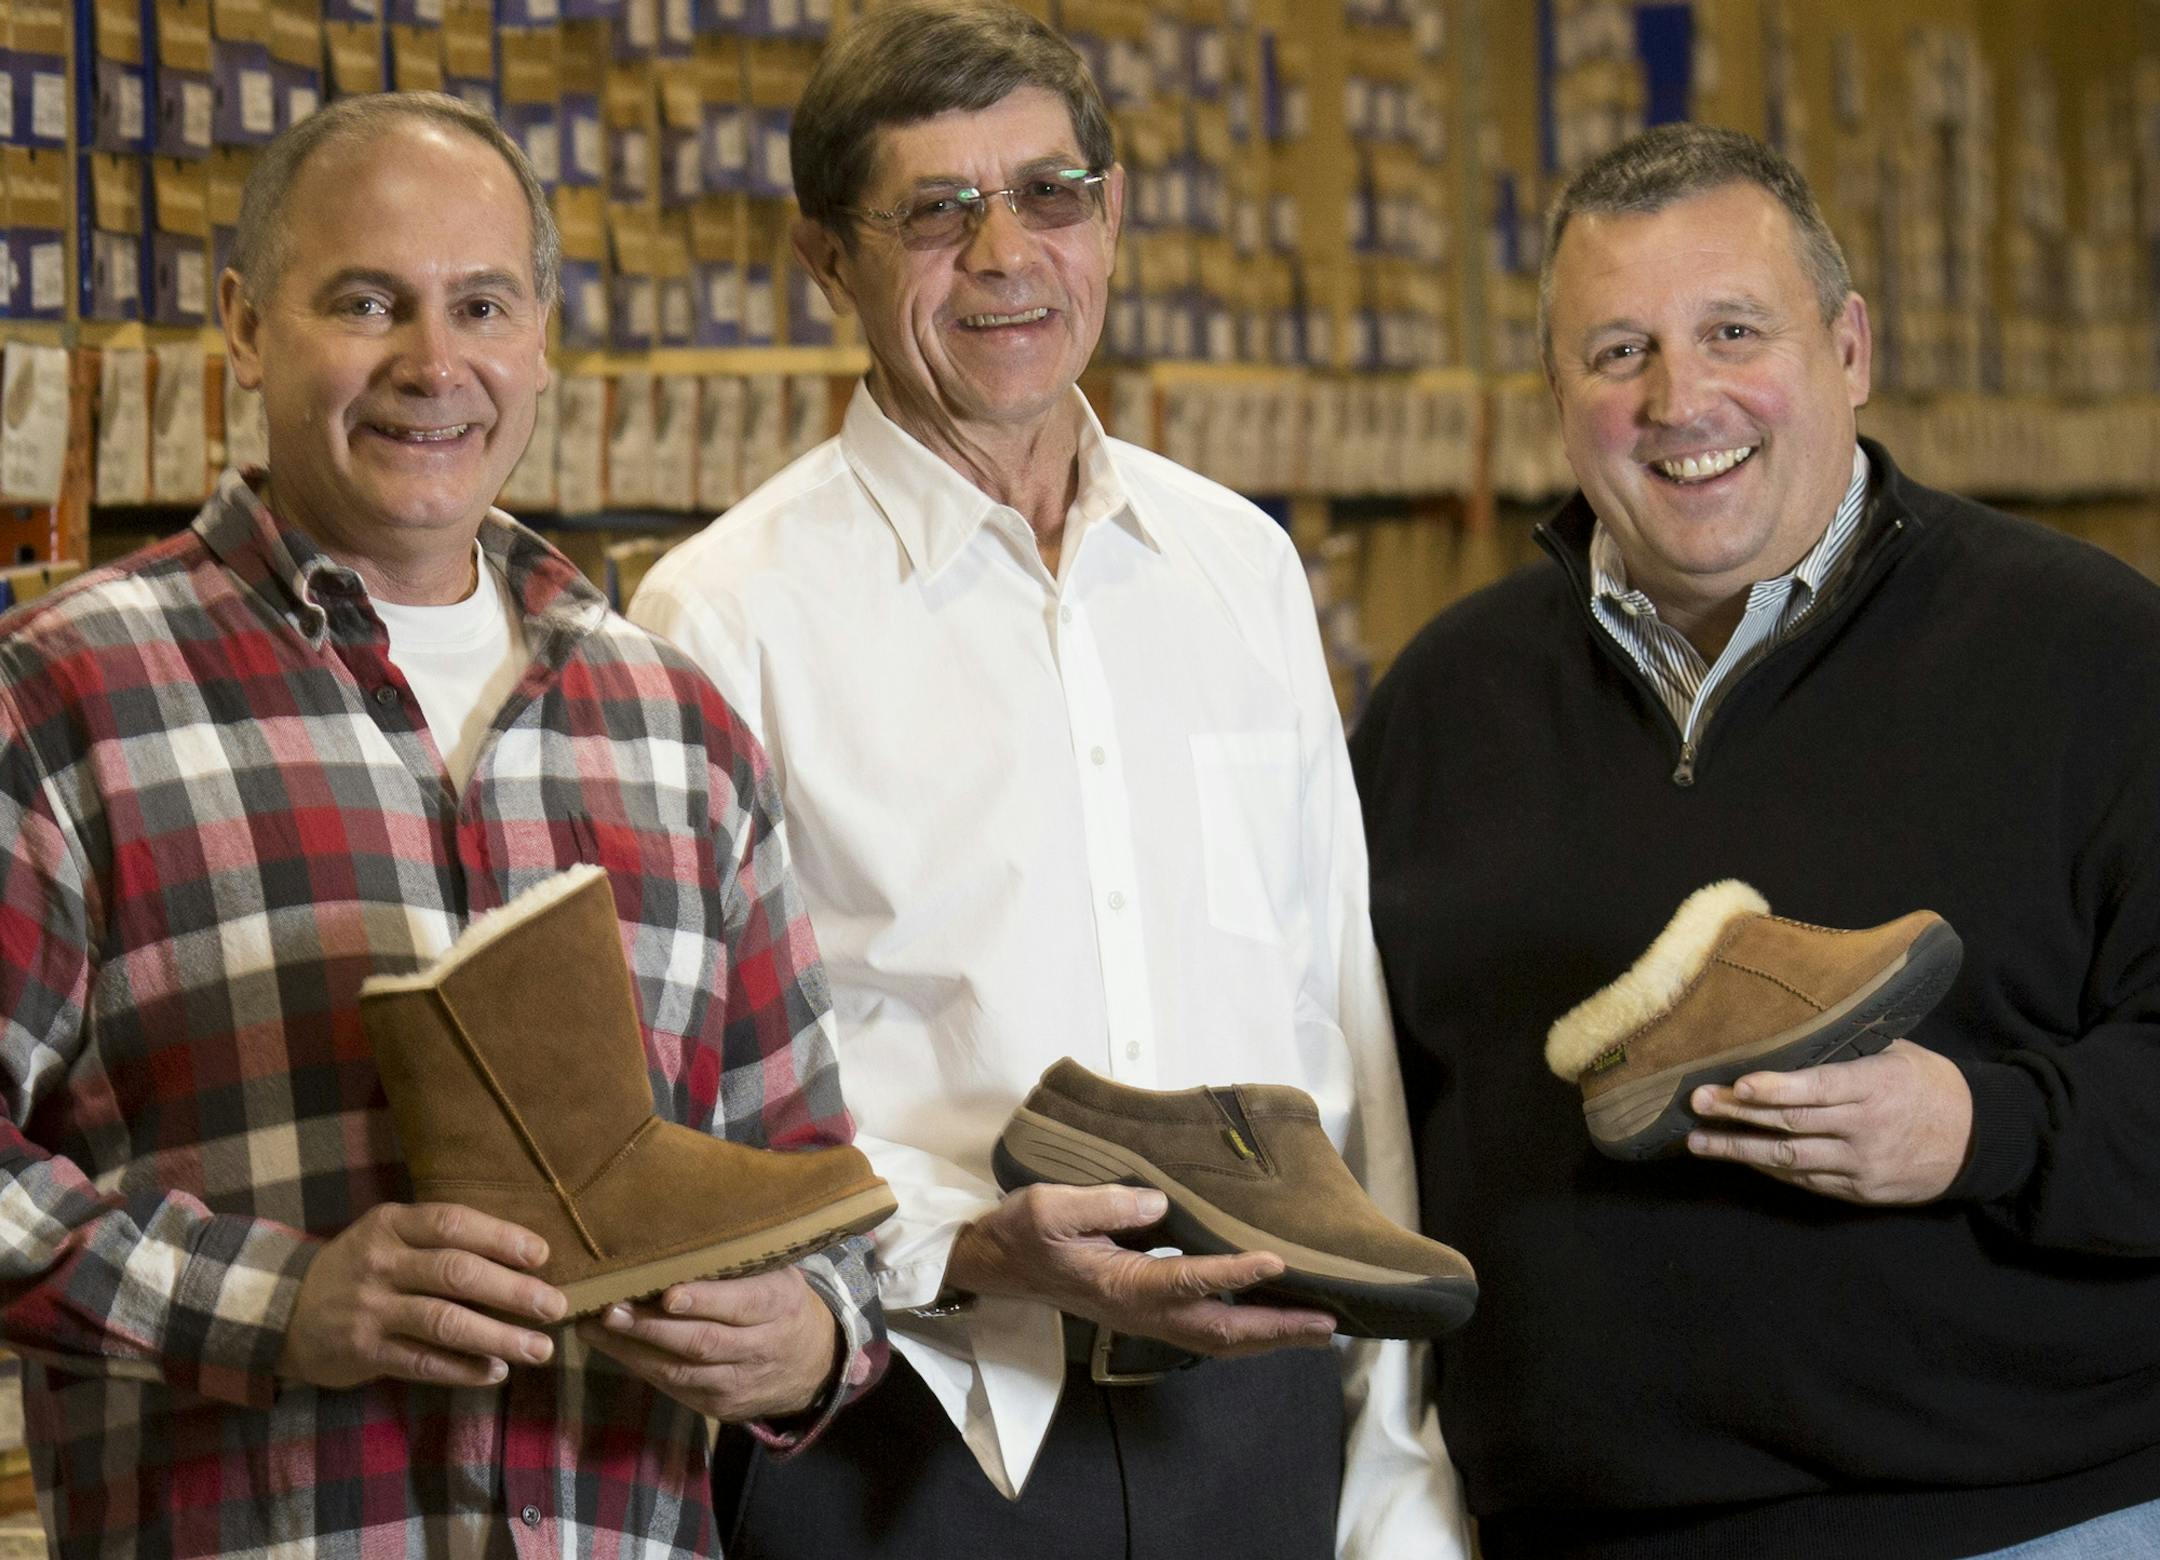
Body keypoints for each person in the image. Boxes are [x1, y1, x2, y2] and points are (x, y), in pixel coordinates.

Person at [626, 4, 1462, 1556]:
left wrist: (1397, 1472)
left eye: (1051, 194)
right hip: (914, 1427)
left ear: (1114, 215)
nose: (1006, 254)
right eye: (937, 213)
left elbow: (1334, 1010)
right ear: (829, 261)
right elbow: (692, 1108)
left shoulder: (1238, 565)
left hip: (1255, 1416)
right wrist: (968, 1250)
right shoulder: (718, 615)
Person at [0, 92, 883, 1557]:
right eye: (366, 302)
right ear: (244, 325)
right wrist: (281, 1304)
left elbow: (816, 1187)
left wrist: (804, 1341)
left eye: (482, 303)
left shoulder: (678, 729)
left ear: (543, 335)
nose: (434, 364)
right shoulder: (66, 695)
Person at [1349, 121, 2160, 1560]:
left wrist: (1984, 1128)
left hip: (2024, 1522)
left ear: (1850, 349)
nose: (1680, 398)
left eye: (1735, 329)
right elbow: (1365, 1122)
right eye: (1618, 353)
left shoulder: (2092, 654)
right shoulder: (1440, 705)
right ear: (1557, 395)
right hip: (1571, 1531)